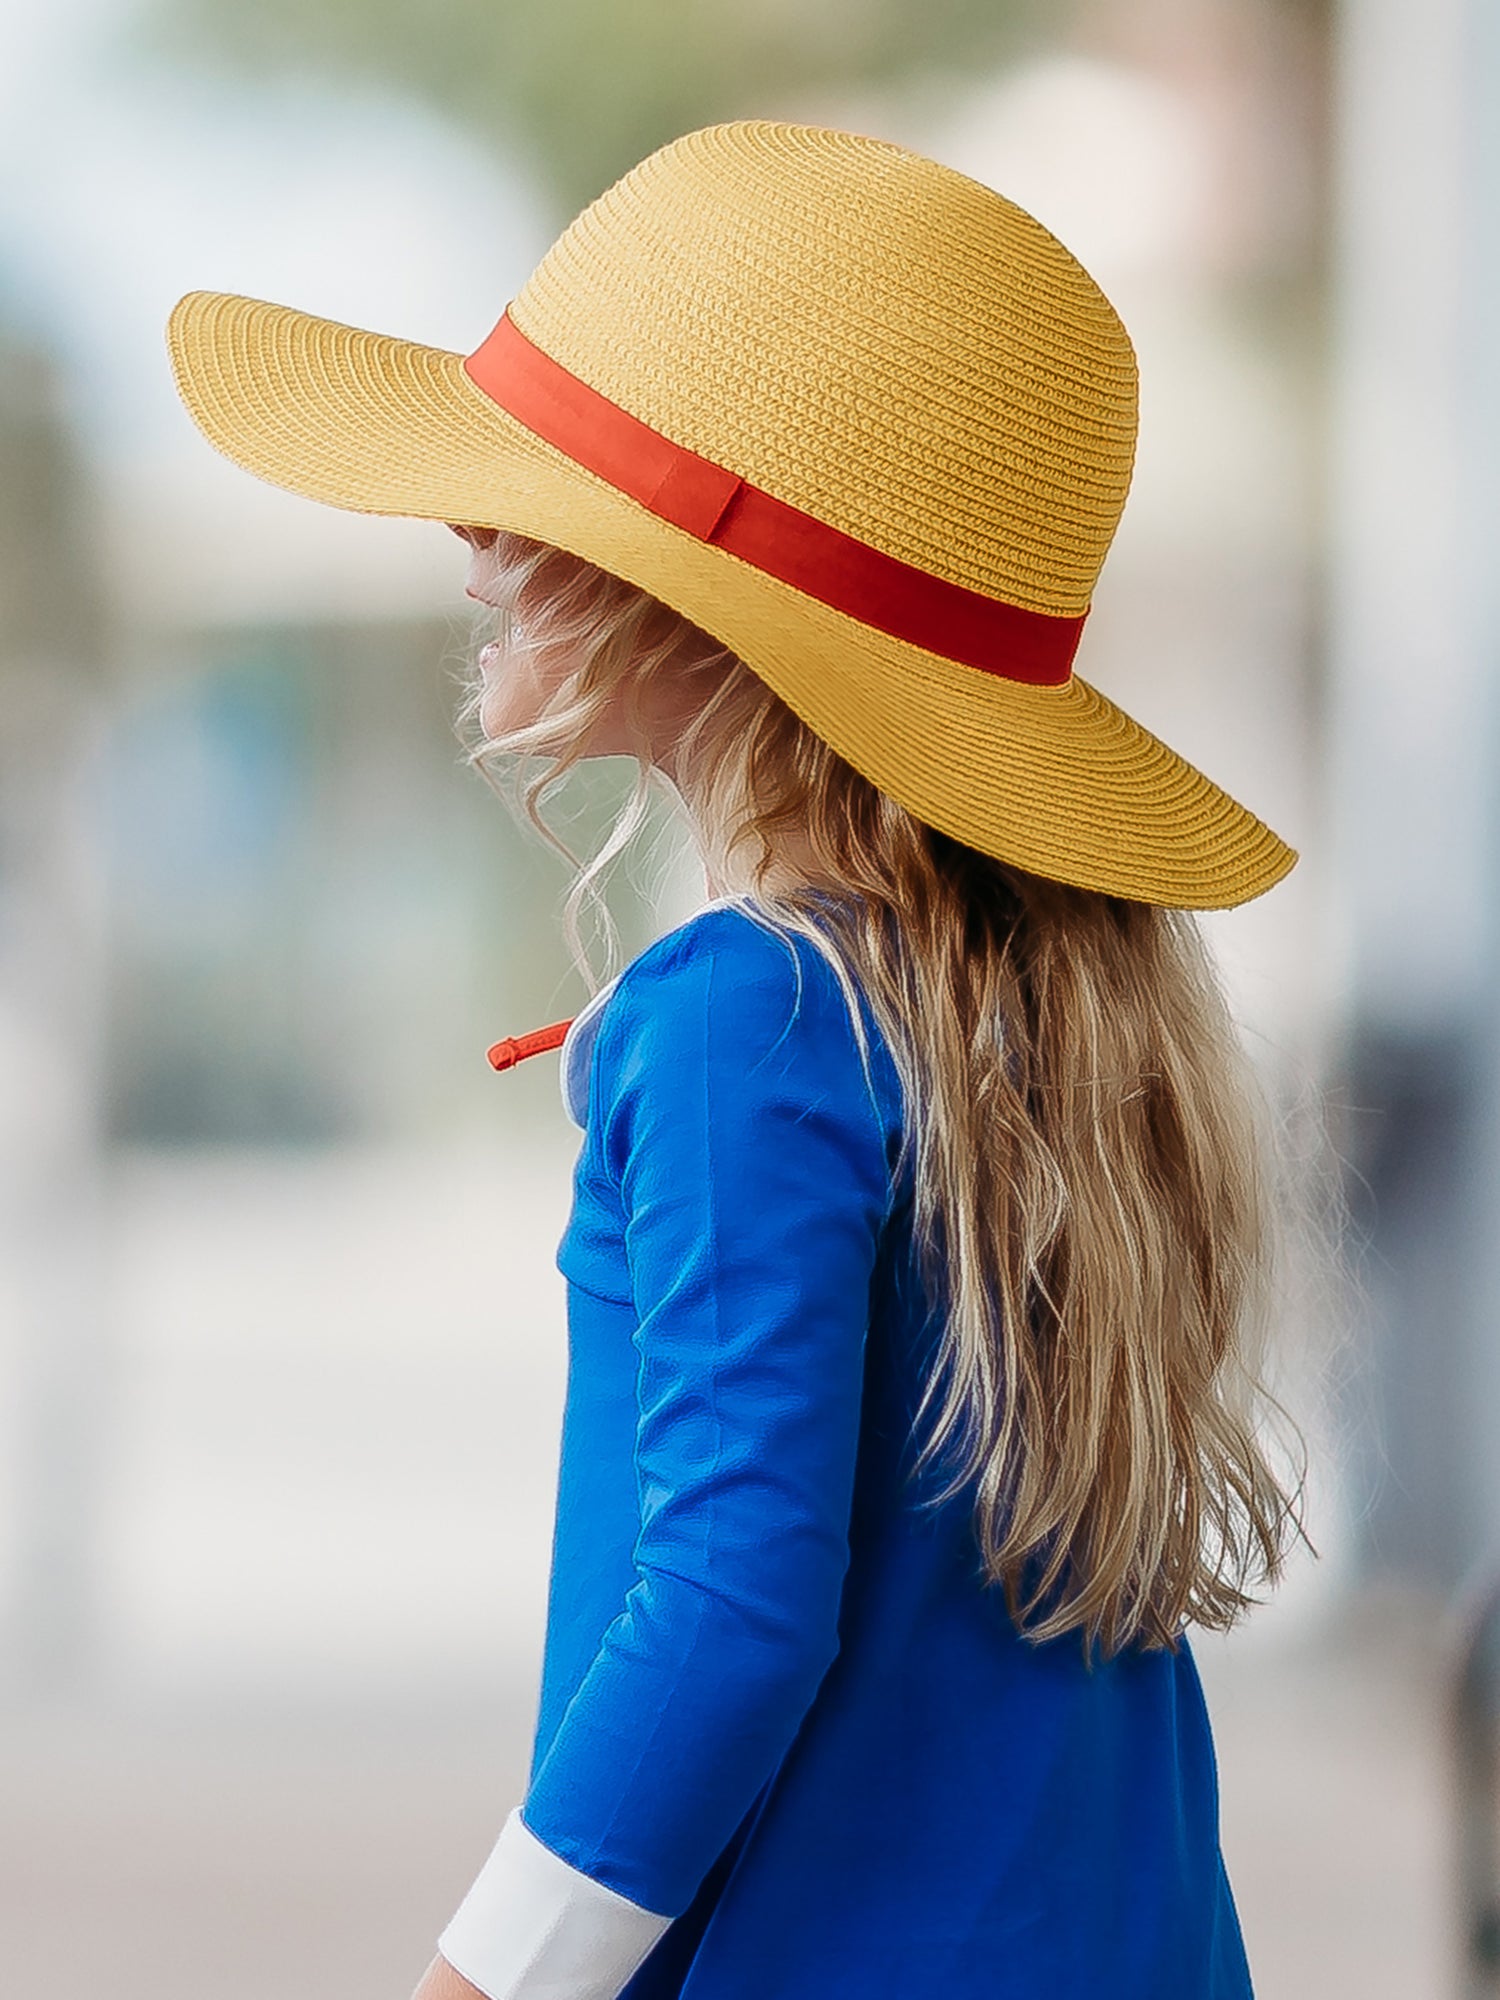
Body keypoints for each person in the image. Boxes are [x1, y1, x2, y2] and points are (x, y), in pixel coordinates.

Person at [166, 120, 1304, 1999]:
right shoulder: (1036, 1014)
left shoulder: (734, 1020)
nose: (466, 540)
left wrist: (483, 1987)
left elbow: (722, 1614)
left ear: (700, 609)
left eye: (523, 496)